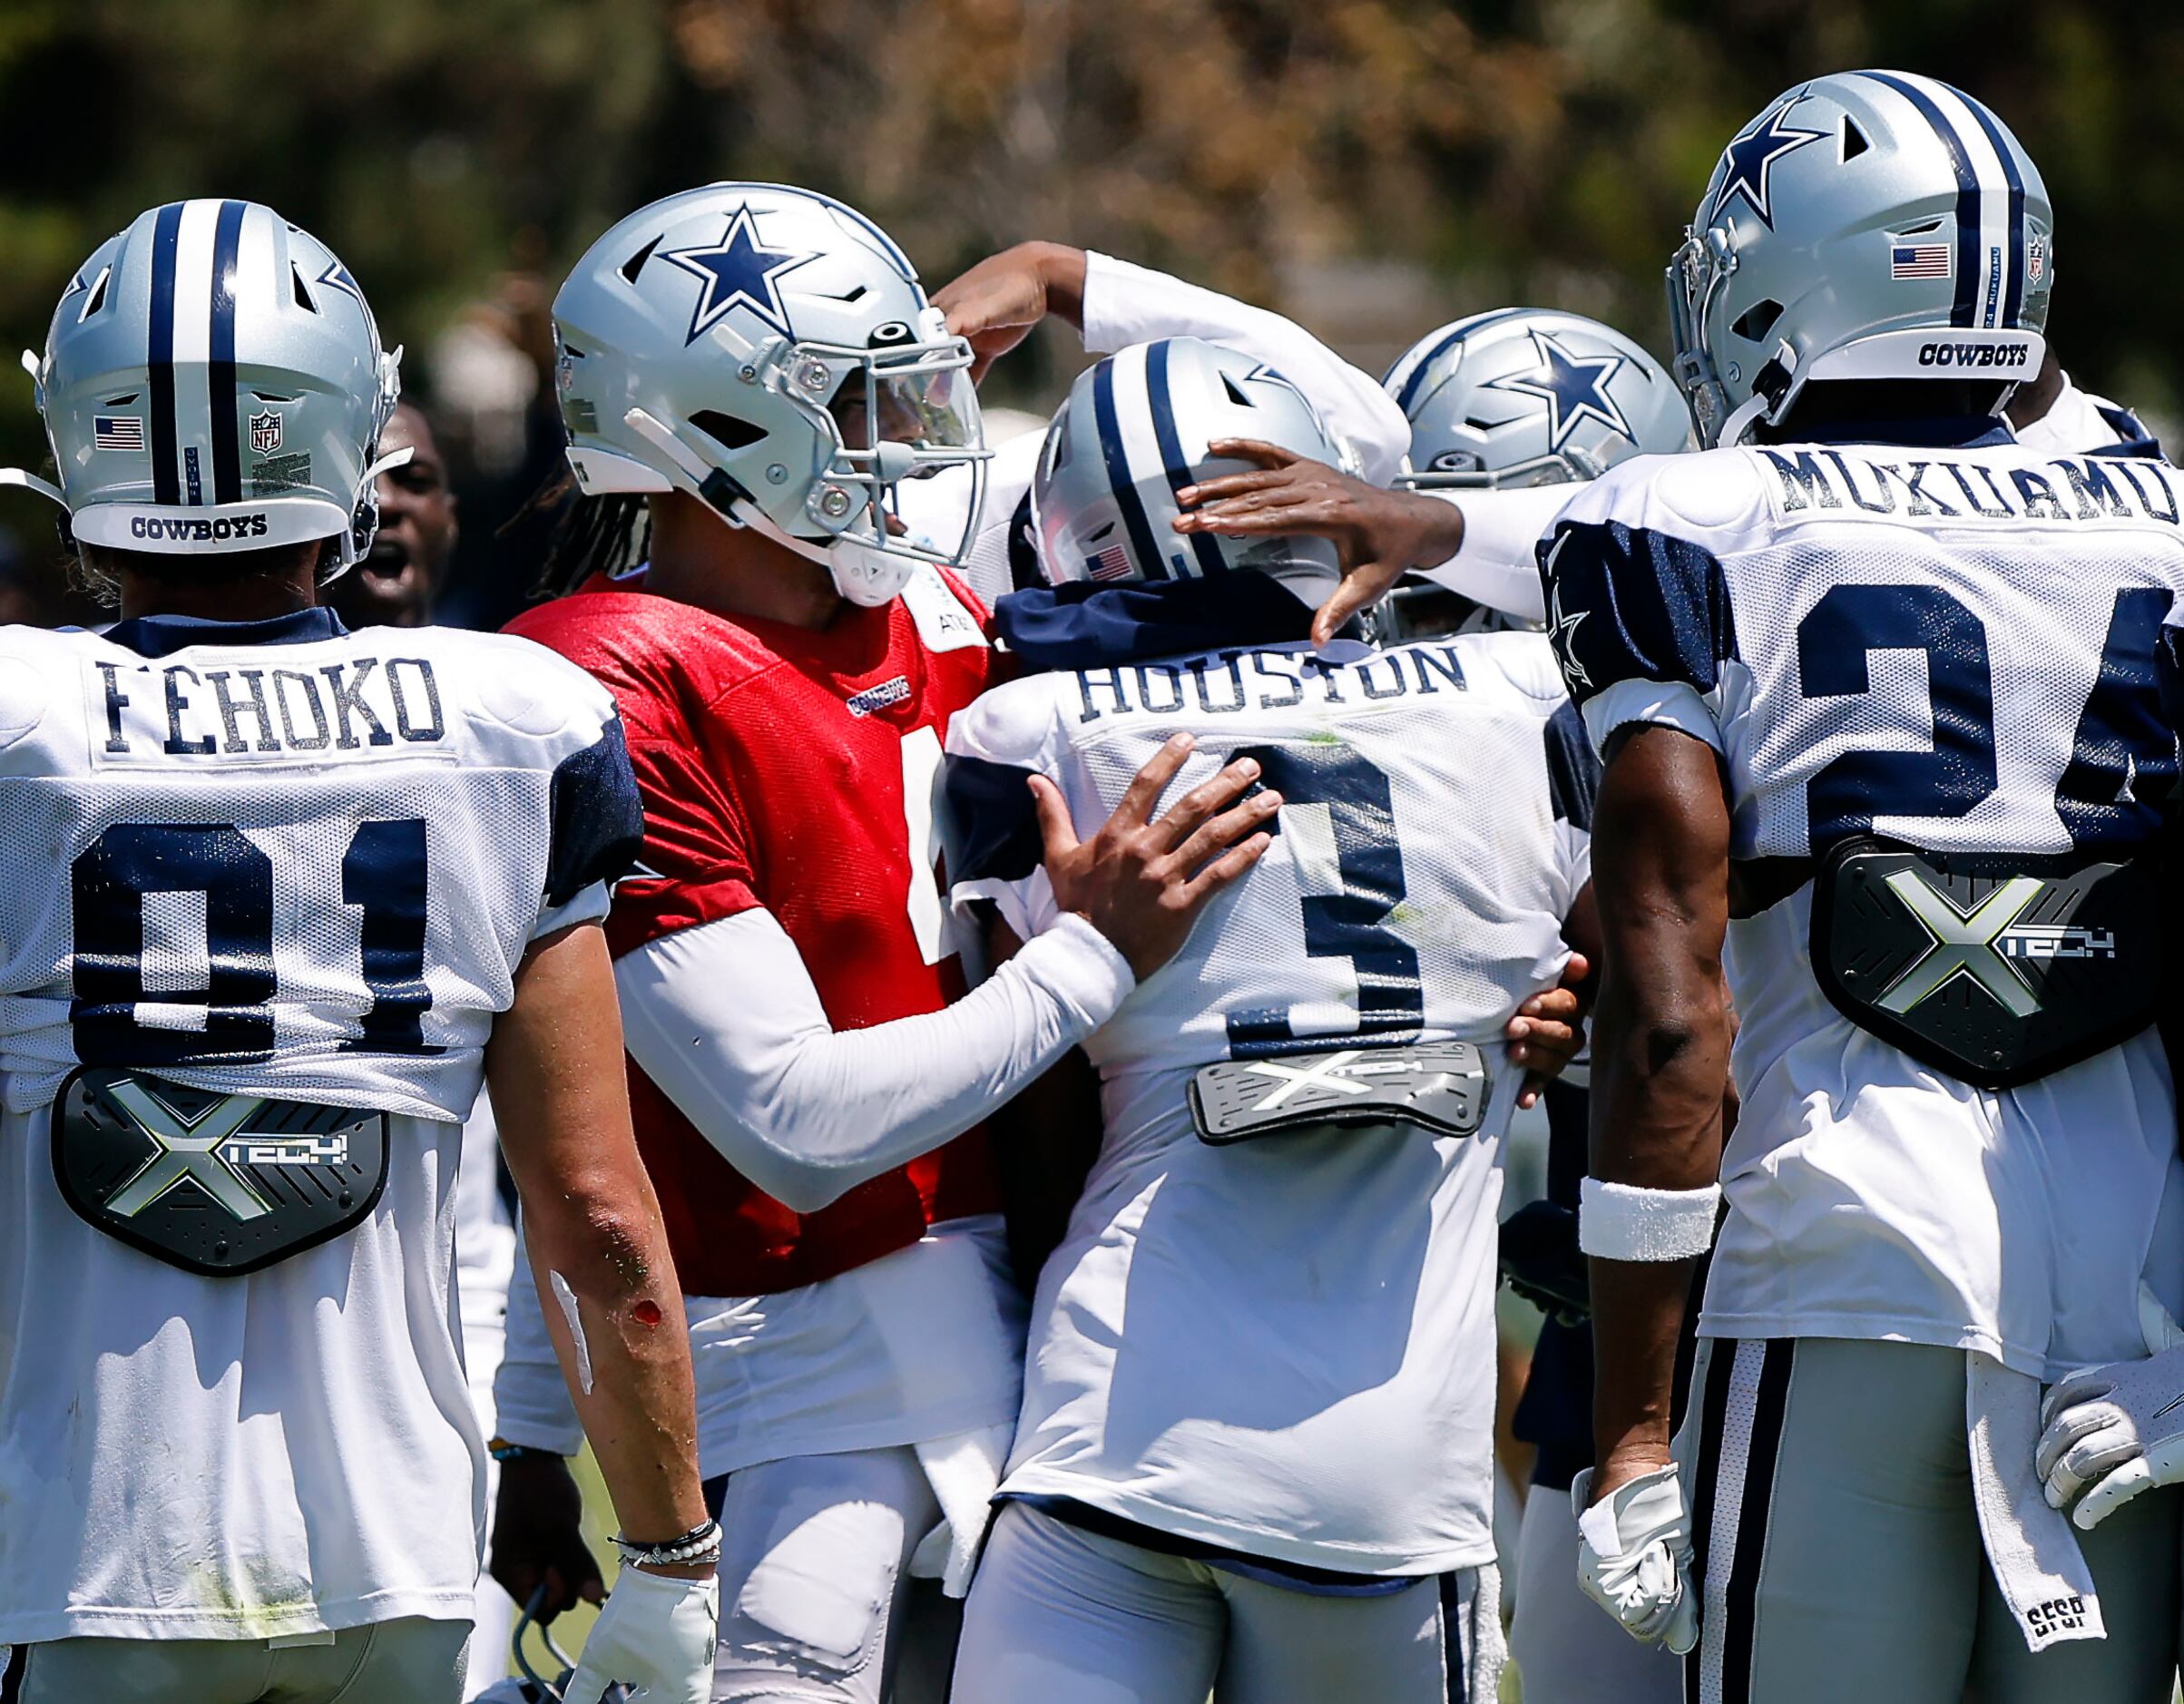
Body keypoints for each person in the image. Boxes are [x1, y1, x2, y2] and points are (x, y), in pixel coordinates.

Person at [484, 183, 1281, 1704]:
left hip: (1032, 1344)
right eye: (856, 398)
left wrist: (1063, 278)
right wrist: (1091, 959)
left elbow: (1341, 425)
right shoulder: (602, 676)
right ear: (716, 432)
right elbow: (789, 1124)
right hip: (786, 1368)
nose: (910, 429)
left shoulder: (940, 601)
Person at [0, 199, 716, 1704]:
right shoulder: (510, 720)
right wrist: (668, 1563)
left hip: (83, 1549)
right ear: (350, 438)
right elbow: (594, 1211)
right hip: (397, 1561)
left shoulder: (21, 721)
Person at [1536, 73, 2184, 1702]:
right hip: (2136, 1294)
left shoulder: (1688, 522)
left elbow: (1670, 1009)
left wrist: (1626, 1427)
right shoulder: (2164, 515)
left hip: (1842, 1250)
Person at [936, 332, 1596, 1704]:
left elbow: (1032, 1128)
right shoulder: (1524, 703)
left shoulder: (1038, 731)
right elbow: (1645, 994)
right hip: (1383, 1488)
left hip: (1105, 1433)